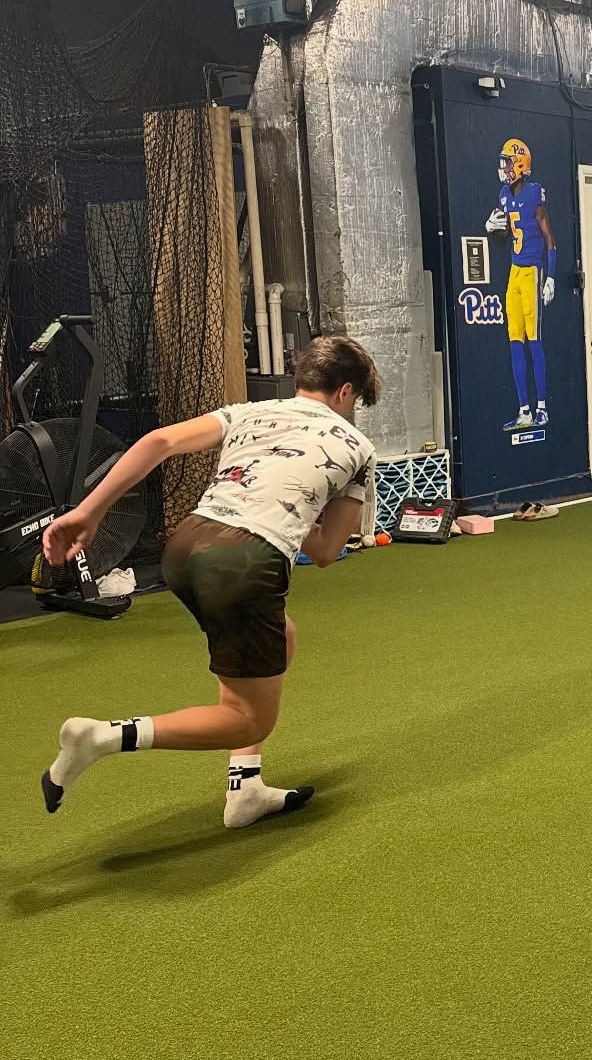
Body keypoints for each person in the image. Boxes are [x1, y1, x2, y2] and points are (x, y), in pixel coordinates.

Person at [39, 336, 380, 827]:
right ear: (346, 392)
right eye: (357, 403)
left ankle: (246, 788)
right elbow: (326, 551)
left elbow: (159, 442)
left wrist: (89, 511)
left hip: (186, 546)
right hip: (244, 561)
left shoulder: (250, 411)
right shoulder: (359, 448)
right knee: (250, 718)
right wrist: (292, 505)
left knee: (281, 635)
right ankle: (102, 737)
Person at [487, 137, 556, 433]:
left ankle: (541, 408)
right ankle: (523, 410)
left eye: (507, 161)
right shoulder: (504, 194)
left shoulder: (533, 196)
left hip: (531, 272)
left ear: (520, 164)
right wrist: (492, 230)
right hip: (514, 273)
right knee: (515, 341)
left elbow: (550, 239)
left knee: (534, 341)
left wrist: (550, 275)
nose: (503, 167)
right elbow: (505, 238)